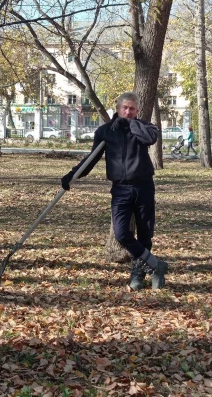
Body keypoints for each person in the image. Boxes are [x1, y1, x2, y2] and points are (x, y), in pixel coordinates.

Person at [60, 92, 168, 290]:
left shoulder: (146, 127)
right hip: (120, 190)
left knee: (145, 234)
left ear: (137, 111)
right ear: (117, 109)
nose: (128, 112)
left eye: (132, 109)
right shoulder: (105, 131)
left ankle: (138, 273)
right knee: (121, 233)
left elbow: (149, 139)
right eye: (124, 108)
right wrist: (72, 175)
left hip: (144, 187)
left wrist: (130, 124)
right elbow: (91, 159)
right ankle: (155, 265)